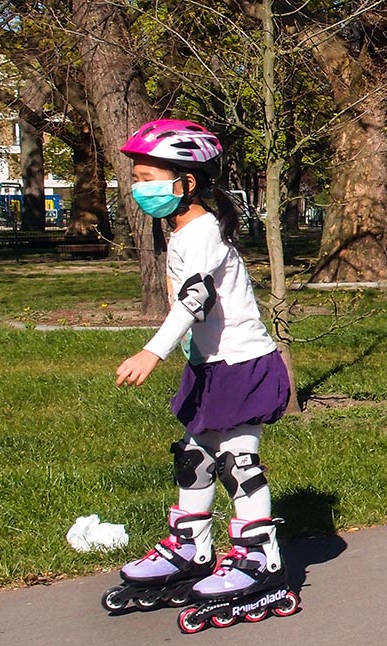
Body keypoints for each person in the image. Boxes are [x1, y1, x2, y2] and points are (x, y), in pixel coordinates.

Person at [110, 119, 293, 613]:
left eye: (148, 178)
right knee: (195, 458)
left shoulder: (203, 233)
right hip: (210, 364)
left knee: (237, 461)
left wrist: (153, 351)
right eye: (137, 178)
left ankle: (259, 557)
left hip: (242, 361)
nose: (139, 188)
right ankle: (191, 546)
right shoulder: (184, 231)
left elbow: (195, 299)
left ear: (186, 182)